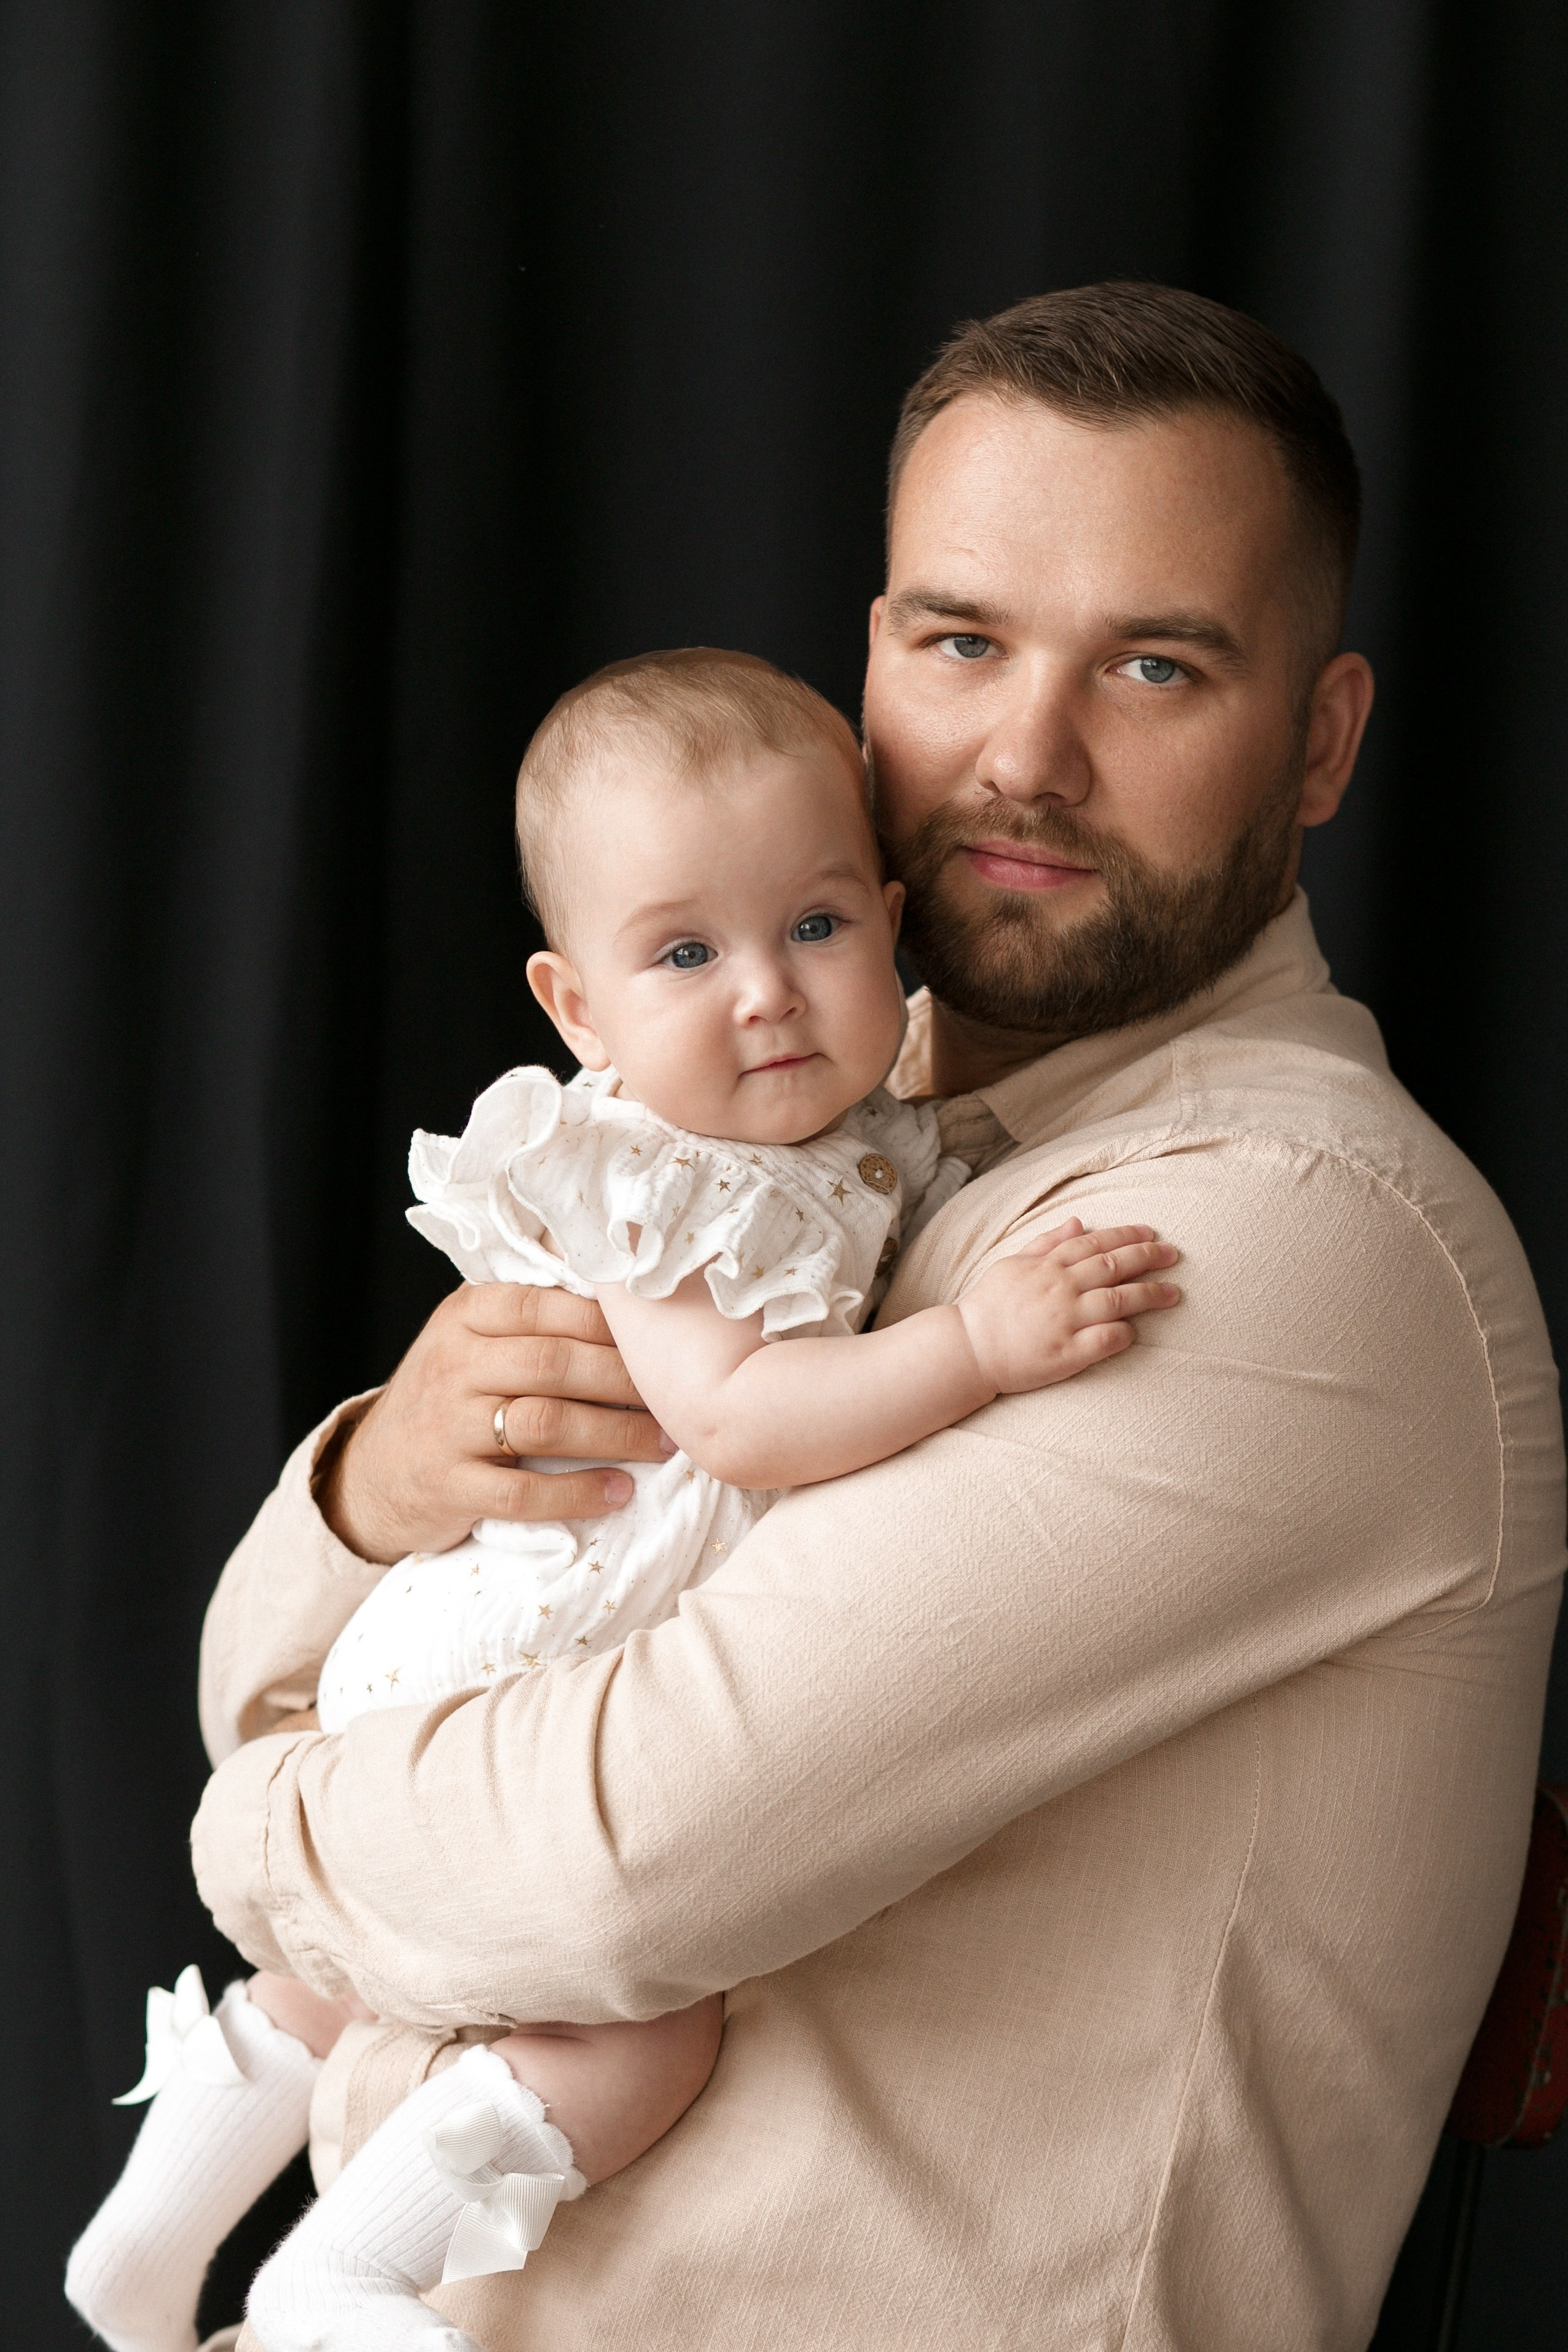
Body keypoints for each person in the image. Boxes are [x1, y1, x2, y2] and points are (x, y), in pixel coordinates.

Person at [193, 284, 1563, 2352]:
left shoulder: (1291, 1238)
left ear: (1323, 741)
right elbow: (276, 1659)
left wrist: (254, 1818)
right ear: (865, 675)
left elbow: (615, 1862)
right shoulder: (795, 1142)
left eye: (1158, 664)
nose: (1027, 752)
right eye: (961, 642)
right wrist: (378, 1486)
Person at [65, 649, 1179, 2352]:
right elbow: (740, 1418)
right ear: (575, 1007)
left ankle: (148, 2247)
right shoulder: (652, 1179)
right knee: (643, 2034)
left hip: (544, 1634)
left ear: (890, 920)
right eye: (685, 953)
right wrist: (979, 1344)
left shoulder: (859, 1136)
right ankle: (343, 2270)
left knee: (349, 1973)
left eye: (815, 927)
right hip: (531, 1639)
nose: (767, 995)